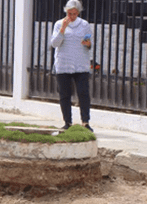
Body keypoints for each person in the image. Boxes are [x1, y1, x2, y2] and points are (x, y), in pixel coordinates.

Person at [51, 0, 93, 132]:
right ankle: (67, 122)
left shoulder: (84, 24)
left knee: (83, 93)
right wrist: (63, 28)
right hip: (64, 64)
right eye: (70, 13)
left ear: (78, 13)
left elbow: (90, 44)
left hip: (80, 64)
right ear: (66, 12)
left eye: (75, 13)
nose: (72, 16)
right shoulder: (59, 24)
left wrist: (87, 44)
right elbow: (54, 44)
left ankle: (85, 122)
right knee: (64, 94)